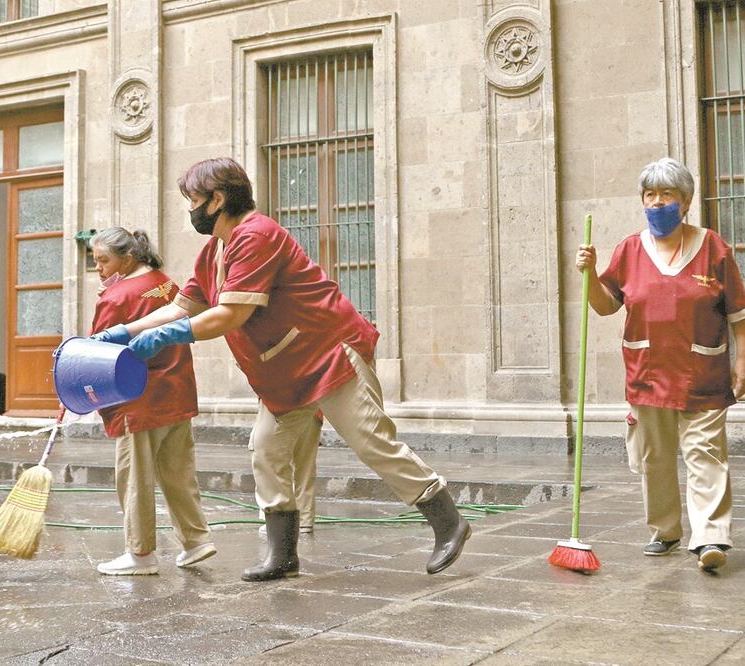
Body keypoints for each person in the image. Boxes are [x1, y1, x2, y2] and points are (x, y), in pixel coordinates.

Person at [94, 158, 469, 582]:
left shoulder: (258, 235)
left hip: (326, 354)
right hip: (284, 372)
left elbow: (230, 315)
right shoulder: (216, 247)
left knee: (371, 443)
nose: (192, 209)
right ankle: (282, 554)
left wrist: (167, 337)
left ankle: (448, 521)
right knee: (267, 448)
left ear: (217, 199)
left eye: (194, 200)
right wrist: (125, 331)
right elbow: (183, 305)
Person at [576, 157, 745, 573]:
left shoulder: (713, 247)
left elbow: (740, 315)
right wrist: (587, 276)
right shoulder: (629, 249)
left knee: (705, 454)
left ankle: (710, 538)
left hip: (703, 373)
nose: (657, 203)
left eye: (667, 195)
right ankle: (665, 530)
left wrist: (743, 365)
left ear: (686, 200)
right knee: (654, 459)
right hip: (648, 373)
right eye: (650, 195)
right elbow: (605, 306)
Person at [89, 227, 216, 576]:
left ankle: (140, 554)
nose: (98, 268)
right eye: (95, 260)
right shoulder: (165, 282)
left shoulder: (116, 297)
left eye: (104, 260)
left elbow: (99, 352)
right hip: (176, 391)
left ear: (127, 258)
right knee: (177, 472)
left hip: (138, 400)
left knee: (135, 477)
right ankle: (196, 540)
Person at [254, 409, 321, 534]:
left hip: (282, 409)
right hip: (313, 409)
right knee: (306, 465)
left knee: (274, 462)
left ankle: (279, 520)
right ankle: (304, 520)